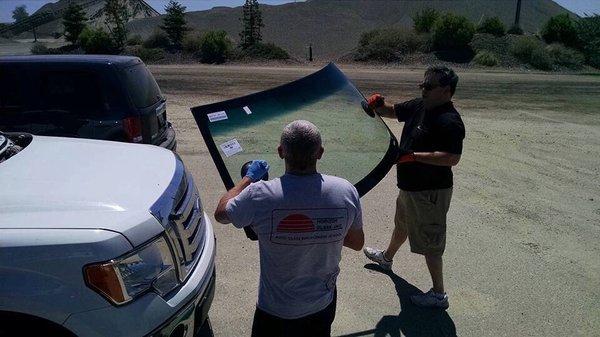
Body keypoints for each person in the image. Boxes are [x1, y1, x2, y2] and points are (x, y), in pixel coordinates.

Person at [214, 120, 365, 337]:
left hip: (275, 310)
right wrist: (320, 231)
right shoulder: (345, 191)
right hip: (322, 303)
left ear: (280, 152)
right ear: (320, 153)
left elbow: (221, 214)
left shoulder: (260, 194)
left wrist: (247, 179)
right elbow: (357, 243)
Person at [363, 66, 465, 309]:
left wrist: (414, 157)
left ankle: (439, 295)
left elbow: (452, 157)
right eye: (422, 85)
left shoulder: (449, 120)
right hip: (409, 186)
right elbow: (391, 111)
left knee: (431, 241)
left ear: (446, 91)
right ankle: (387, 259)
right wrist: (377, 104)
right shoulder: (419, 106)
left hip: (430, 191)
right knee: (403, 225)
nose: (423, 90)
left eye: (428, 86)